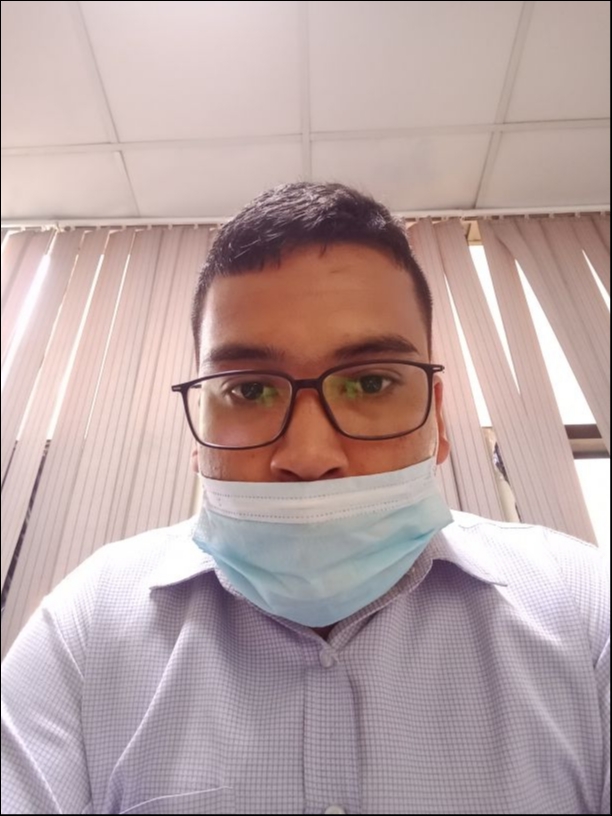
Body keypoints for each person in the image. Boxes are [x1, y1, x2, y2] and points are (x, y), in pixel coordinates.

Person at [1, 182, 609, 815]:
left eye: (371, 383)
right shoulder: (86, 630)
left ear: (439, 418)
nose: (310, 454)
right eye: (249, 390)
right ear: (198, 427)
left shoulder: (586, 612)